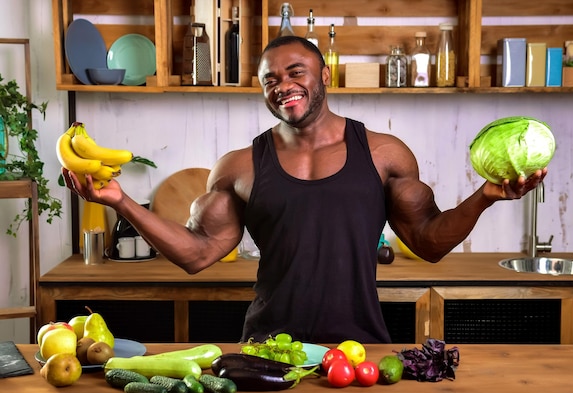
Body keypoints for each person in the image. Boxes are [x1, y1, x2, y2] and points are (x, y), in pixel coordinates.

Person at [62, 36, 546, 344]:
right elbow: (198, 254)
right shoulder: (239, 166)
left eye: (296, 72)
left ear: (324, 78)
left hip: (358, 347)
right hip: (269, 347)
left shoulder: (384, 154)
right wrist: (121, 202)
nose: (283, 85)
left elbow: (427, 242)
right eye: (270, 79)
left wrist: (484, 197)